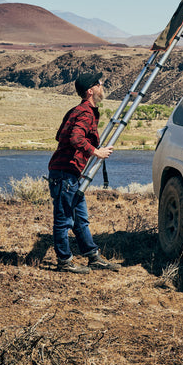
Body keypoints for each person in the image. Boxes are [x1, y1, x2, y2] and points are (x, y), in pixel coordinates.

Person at [47, 71, 120, 273]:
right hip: (65, 173)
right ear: (90, 90)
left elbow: (59, 135)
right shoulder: (85, 113)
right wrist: (96, 151)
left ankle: (92, 256)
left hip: (67, 173)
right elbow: (74, 138)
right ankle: (64, 261)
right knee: (63, 220)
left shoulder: (77, 110)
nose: (102, 84)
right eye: (98, 83)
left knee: (80, 218)